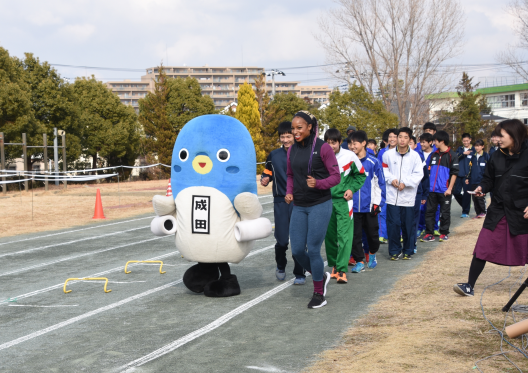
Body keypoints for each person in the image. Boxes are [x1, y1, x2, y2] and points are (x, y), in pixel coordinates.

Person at [454, 119, 528, 297]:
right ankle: (469, 286)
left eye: (501, 135)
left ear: (514, 135)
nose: (497, 139)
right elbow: (488, 179)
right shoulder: (496, 155)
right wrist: (482, 188)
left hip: (523, 210)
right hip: (499, 209)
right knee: (484, 244)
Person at [286, 111, 341, 309]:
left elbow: (336, 177)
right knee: (298, 251)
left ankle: (319, 293)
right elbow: (290, 175)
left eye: (299, 128)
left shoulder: (323, 148)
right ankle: (322, 275)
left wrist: (318, 183)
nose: (295, 131)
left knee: (314, 249)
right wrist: (289, 192)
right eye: (293, 128)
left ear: (310, 127)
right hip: (299, 205)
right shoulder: (292, 150)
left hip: (320, 203)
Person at [261, 121, 306, 284]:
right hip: (280, 202)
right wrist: (265, 179)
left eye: (288, 136)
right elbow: (267, 173)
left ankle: (299, 273)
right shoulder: (274, 155)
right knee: (281, 240)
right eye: (282, 137)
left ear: (295, 135)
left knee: (299, 240)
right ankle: (281, 265)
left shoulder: (303, 153)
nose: (286, 140)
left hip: (299, 202)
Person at [323, 129, 366, 284]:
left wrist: (351, 189)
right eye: (327, 142)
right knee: (329, 237)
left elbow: (361, 174)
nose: (330, 145)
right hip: (326, 202)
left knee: (344, 236)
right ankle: (334, 265)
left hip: (343, 202)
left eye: (333, 142)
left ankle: (342, 269)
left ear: (340, 142)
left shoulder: (349, 156)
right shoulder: (320, 157)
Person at [382, 127, 424, 260]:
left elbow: (419, 174)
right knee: (393, 224)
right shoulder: (387, 154)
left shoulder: (415, 156)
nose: (402, 140)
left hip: (408, 196)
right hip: (392, 196)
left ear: (410, 140)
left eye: (406, 137)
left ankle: (408, 250)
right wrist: (391, 179)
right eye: (400, 136)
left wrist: (405, 182)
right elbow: (384, 170)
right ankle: (394, 251)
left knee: (408, 225)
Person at [350, 130, 386, 270]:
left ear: (364, 143)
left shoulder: (373, 162)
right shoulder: (349, 162)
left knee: (372, 235)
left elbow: (380, 184)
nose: (352, 146)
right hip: (353, 207)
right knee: (355, 236)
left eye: (355, 143)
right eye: (351, 144)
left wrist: (377, 203)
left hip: (370, 206)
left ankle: (371, 253)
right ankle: (359, 261)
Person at [421, 131, 459, 243]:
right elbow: (427, 171)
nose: (434, 143)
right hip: (432, 190)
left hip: (445, 190)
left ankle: (444, 233)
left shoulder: (452, 155)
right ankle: (429, 233)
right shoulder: (433, 155)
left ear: (442, 141)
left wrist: (450, 188)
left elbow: (455, 173)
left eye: (435, 141)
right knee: (429, 212)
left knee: (445, 212)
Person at [377, 128, 398, 244]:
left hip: (398, 185)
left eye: (395, 137)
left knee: (396, 212)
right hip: (384, 185)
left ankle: (398, 234)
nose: (392, 139)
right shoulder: (382, 152)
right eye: (390, 137)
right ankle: (382, 234)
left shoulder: (401, 152)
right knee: (383, 211)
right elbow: (379, 169)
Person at [417, 133, 439, 237]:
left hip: (434, 185)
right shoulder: (417, 154)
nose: (422, 144)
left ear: (430, 142)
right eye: (421, 142)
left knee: (434, 208)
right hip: (421, 185)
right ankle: (420, 228)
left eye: (424, 142)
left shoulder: (436, 153)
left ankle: (434, 228)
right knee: (421, 208)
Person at [465, 139, 489, 219]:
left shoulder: (486, 156)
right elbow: (470, 168)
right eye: (476, 146)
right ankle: (478, 213)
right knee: (474, 198)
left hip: (482, 180)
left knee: (480, 197)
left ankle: (484, 212)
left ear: (482, 146)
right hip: (473, 180)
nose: (477, 147)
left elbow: (489, 169)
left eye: (478, 146)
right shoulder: (473, 156)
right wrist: (468, 177)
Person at [454, 133, 475, 218]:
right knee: (456, 192)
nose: (466, 142)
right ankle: (465, 204)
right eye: (464, 141)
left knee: (467, 194)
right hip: (459, 174)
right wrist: (463, 153)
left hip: (468, 176)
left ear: (470, 140)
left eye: (467, 140)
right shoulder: (460, 149)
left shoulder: (474, 150)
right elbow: (455, 158)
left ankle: (465, 212)